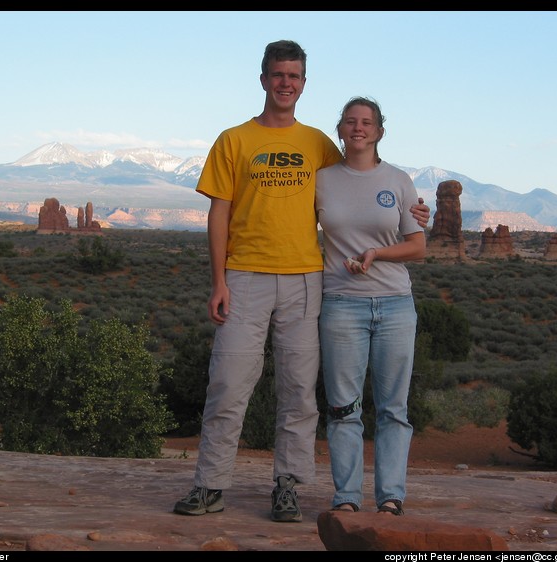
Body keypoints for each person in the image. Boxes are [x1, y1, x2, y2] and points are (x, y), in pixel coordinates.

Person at [173, 41, 429, 523]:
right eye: (277, 75)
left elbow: (361, 182)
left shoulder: (318, 145)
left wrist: (414, 210)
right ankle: (209, 485)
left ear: (303, 83)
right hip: (245, 275)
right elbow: (219, 211)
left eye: (293, 76)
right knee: (228, 383)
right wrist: (218, 280)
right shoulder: (234, 140)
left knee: (297, 389)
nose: (285, 83)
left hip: (307, 280)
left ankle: (287, 486)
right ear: (264, 79)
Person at [316, 96, 426, 516]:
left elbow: (417, 246)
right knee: (344, 408)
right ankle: (346, 498)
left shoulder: (398, 180)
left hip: (396, 305)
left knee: (393, 408)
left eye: (366, 122)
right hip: (342, 305)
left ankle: (390, 498)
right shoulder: (322, 180)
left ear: (380, 131)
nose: (358, 128)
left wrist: (376, 255)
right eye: (350, 122)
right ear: (340, 129)